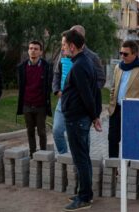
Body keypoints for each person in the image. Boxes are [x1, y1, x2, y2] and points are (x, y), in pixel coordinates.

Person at [60, 29, 102, 211]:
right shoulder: (83, 62)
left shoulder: (79, 65)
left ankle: (84, 197)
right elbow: (93, 92)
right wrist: (94, 116)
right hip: (79, 118)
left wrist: (94, 117)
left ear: (72, 46)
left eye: (63, 45)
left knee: (81, 159)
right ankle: (85, 193)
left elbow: (88, 95)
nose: (62, 49)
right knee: (83, 157)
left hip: (77, 119)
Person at [52, 25, 105, 154]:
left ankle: (81, 160)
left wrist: (87, 90)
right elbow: (57, 73)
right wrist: (57, 90)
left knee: (82, 137)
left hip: (81, 103)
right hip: (63, 99)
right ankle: (64, 157)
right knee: (57, 131)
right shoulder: (63, 54)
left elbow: (101, 79)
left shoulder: (92, 57)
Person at [108, 40, 139, 157]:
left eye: (126, 54)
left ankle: (128, 169)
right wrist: (111, 103)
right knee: (112, 139)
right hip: (116, 110)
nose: (122, 56)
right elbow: (113, 88)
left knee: (130, 142)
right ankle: (113, 168)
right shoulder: (118, 67)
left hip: (132, 112)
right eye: (121, 53)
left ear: (134, 54)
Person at [16, 40, 52, 157]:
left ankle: (43, 154)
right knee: (30, 131)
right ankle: (32, 153)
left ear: (40, 52)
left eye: (36, 49)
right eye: (31, 48)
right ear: (28, 51)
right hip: (27, 104)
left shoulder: (46, 67)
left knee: (41, 132)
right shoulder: (22, 67)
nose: (33, 51)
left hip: (41, 105)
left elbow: (49, 85)